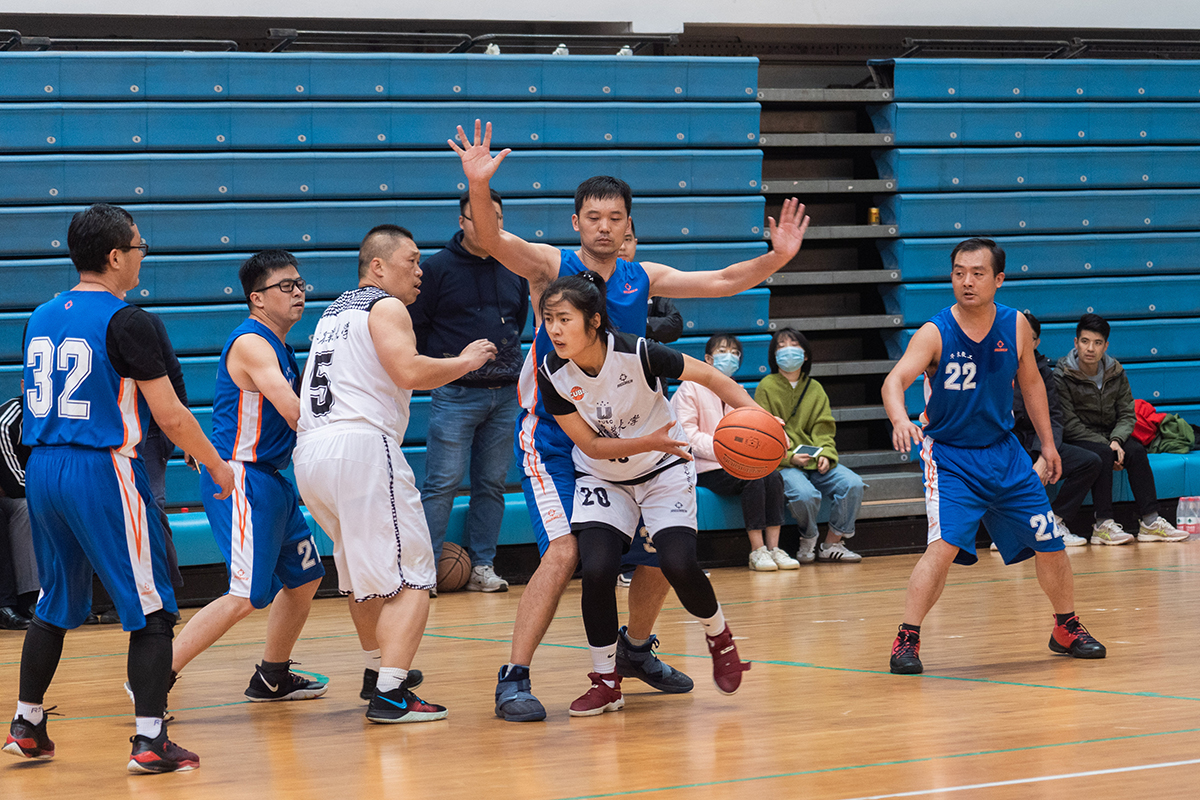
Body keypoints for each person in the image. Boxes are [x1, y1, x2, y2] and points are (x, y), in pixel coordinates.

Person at [450, 119, 808, 722]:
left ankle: (635, 651)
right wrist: (480, 187)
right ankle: (514, 677)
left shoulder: (644, 277)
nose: (605, 226)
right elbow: (492, 240)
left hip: (638, 436)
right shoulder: (550, 266)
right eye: (594, 217)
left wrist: (777, 257)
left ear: (629, 225)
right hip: (560, 439)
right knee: (565, 555)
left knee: (654, 556)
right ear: (576, 223)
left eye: (616, 217)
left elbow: (722, 281)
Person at [5, 203, 234, 772]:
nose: (142, 255)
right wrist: (215, 464)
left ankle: (27, 725)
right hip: (103, 469)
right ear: (114, 256)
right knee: (152, 608)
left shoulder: (40, 315)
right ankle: (151, 741)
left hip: (45, 470)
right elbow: (172, 416)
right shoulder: (126, 320)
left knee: (54, 603)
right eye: (138, 247)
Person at [293, 225, 496, 724]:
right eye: (411, 260)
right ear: (377, 266)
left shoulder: (332, 313)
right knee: (415, 577)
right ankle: (391, 693)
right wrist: (464, 361)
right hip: (361, 448)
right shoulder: (385, 306)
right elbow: (408, 371)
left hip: (313, 452)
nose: (420, 270)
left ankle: (373, 672)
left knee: (363, 577)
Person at [881, 237, 1106, 676]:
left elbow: (1033, 385)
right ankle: (907, 637)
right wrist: (899, 419)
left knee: (1050, 542)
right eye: (959, 273)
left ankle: (1066, 626)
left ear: (998, 279)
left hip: (1005, 455)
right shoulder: (935, 332)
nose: (966, 281)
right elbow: (894, 381)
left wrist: (1047, 443)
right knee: (942, 548)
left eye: (977, 273)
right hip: (950, 458)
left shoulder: (1015, 325)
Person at [535, 272, 752, 714]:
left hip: (664, 468)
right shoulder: (552, 373)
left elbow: (709, 375)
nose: (553, 330)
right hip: (603, 474)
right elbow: (592, 445)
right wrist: (646, 441)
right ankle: (606, 679)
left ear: (593, 321)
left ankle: (720, 637)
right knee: (596, 569)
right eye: (547, 320)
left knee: (676, 562)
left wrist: (755, 413)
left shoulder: (638, 352)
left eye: (563, 319)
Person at [169, 250, 328, 705]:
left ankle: (272, 676)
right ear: (257, 298)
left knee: (304, 578)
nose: (298, 292)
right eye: (285, 286)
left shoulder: (281, 345)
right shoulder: (253, 343)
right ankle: (156, 673)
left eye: (300, 284)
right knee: (246, 594)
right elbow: (294, 411)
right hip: (240, 480)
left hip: (271, 480)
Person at [408, 189, 528, 594]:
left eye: (494, 215)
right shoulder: (437, 269)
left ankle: (482, 565)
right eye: (478, 215)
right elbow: (415, 328)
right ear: (462, 221)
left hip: (506, 395)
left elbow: (519, 319)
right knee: (442, 482)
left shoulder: (514, 264)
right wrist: (445, 364)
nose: (487, 222)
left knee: (492, 483)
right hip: (455, 394)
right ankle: (423, 572)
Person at [1054, 313, 1188, 545]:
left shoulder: (1115, 371)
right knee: (1103, 453)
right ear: (1075, 343)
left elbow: (1127, 413)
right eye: (1085, 341)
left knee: (1136, 451)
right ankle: (1103, 524)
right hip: (1079, 436)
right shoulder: (1062, 374)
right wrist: (1109, 445)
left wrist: (1116, 439)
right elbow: (1069, 423)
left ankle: (1150, 521)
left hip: (1111, 434)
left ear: (1106, 346)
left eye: (1097, 343)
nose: (1090, 348)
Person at [671, 334, 793, 571]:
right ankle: (757, 550)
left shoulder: (738, 390)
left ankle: (774, 548)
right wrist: (727, 451)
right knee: (754, 478)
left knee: (774, 477)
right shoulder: (690, 388)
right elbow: (687, 436)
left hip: (735, 462)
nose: (730, 357)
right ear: (708, 359)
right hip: (706, 466)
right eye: (723, 351)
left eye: (735, 353)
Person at [756, 328, 865, 563]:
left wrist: (826, 454)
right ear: (773, 356)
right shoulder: (766, 386)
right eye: (781, 346)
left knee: (853, 484)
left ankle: (832, 543)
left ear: (805, 355)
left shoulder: (815, 388)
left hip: (816, 461)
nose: (787, 351)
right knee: (804, 494)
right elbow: (765, 431)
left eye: (793, 345)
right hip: (785, 463)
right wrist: (788, 458)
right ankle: (809, 537)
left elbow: (824, 428)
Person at [1005, 312, 1095, 548]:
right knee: (1012, 464)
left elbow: (1054, 417)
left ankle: (1054, 522)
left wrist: (1045, 453)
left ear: (1036, 342)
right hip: (1010, 444)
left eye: (1029, 337)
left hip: (1039, 441)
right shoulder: (998, 366)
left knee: (1090, 461)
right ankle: (1013, 532)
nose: (1022, 341)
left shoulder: (1044, 371)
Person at [0, 397, 36, 629]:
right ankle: (26, 598)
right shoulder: (7, 422)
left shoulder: (66, 413)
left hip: (34, 490)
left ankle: (79, 599)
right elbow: (14, 485)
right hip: (15, 496)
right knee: (25, 508)